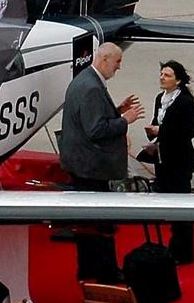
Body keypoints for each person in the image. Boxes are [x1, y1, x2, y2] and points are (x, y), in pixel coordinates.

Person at [59, 42, 143, 282]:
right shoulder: (92, 88)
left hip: (80, 164)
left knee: (86, 224)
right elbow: (96, 129)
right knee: (101, 224)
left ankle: (87, 268)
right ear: (105, 59)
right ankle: (107, 272)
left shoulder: (84, 80)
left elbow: (91, 118)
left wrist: (115, 111)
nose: (119, 68)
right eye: (117, 63)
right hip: (92, 167)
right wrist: (125, 120)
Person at [144, 60, 194, 265]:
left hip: (180, 161)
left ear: (177, 80)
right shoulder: (161, 98)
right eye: (161, 74)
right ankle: (173, 247)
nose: (162, 78)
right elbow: (157, 122)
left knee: (182, 208)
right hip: (163, 160)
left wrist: (162, 131)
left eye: (166, 75)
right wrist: (153, 132)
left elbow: (189, 132)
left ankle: (183, 252)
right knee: (167, 203)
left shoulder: (186, 103)